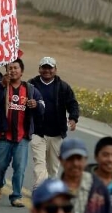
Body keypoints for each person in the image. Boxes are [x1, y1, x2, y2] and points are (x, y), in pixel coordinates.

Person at [0, 58, 44, 207]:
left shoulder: (30, 89)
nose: (13, 70)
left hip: (22, 136)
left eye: (16, 68)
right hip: (3, 135)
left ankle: (16, 196)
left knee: (20, 167)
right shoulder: (1, 86)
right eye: (10, 68)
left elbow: (41, 106)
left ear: (21, 71)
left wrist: (35, 105)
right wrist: (2, 86)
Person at [28, 57, 80, 187]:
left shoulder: (63, 87)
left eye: (50, 68)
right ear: (39, 69)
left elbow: (72, 103)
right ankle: (39, 189)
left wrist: (73, 118)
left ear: (55, 70)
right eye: (44, 67)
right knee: (39, 163)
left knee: (53, 167)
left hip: (56, 133)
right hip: (37, 132)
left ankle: (50, 189)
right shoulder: (31, 85)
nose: (47, 70)